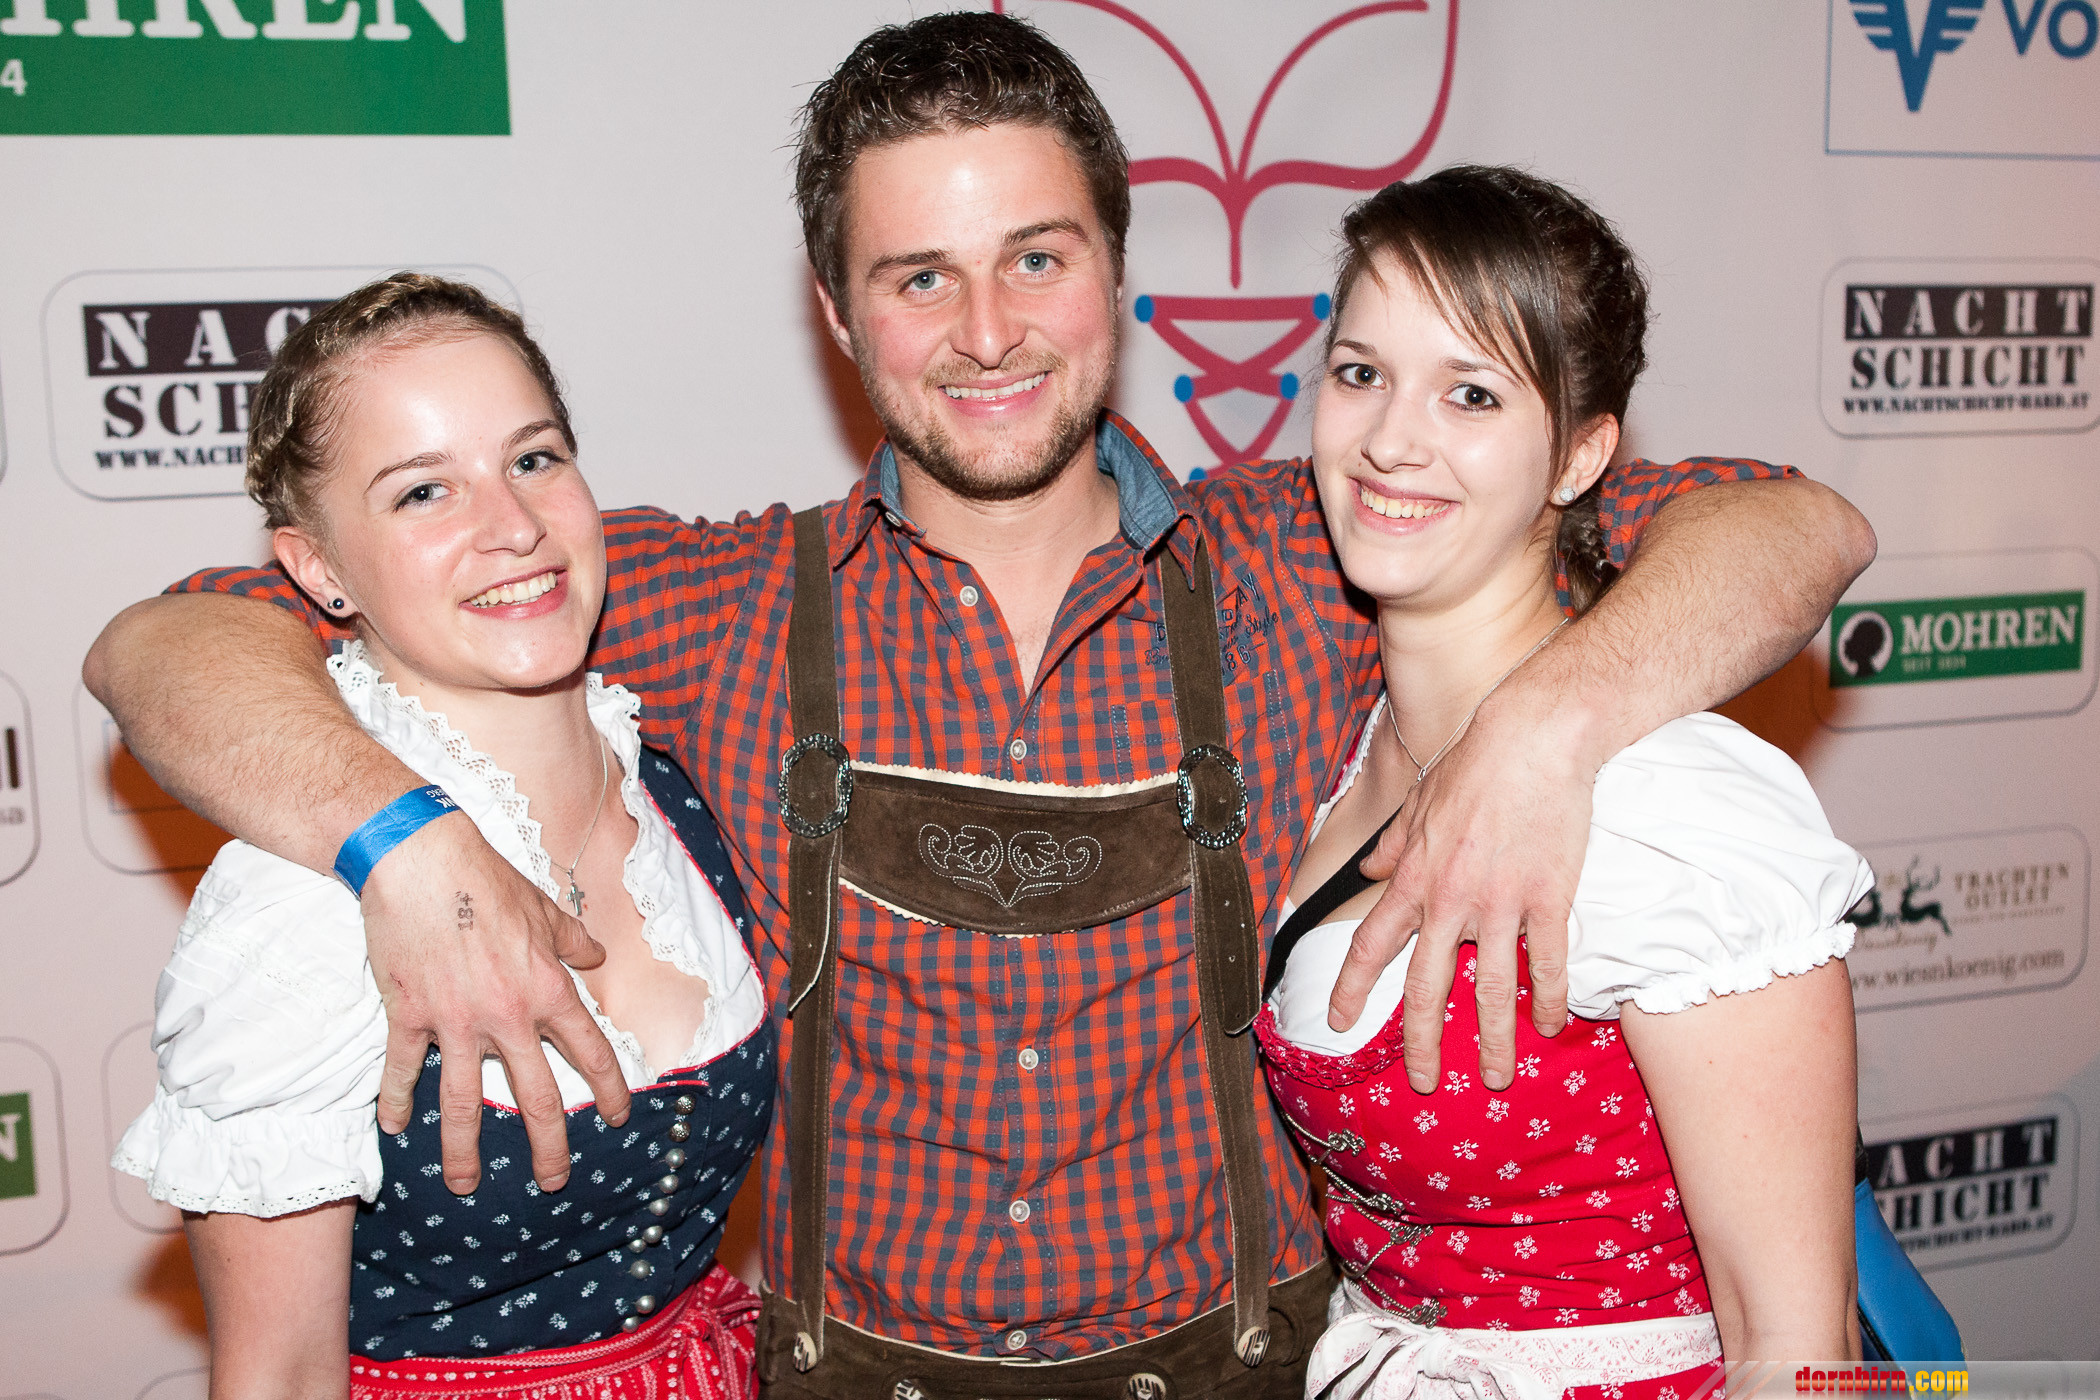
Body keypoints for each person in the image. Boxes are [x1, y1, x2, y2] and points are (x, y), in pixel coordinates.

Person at [84, 14, 1876, 1396]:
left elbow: (1791, 528)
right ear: (835, 313)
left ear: (1119, 269)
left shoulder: (1324, 545)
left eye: (1037, 256)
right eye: (917, 277)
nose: (990, 329)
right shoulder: (698, 598)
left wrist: (1558, 723)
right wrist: (391, 836)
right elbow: (169, 647)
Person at [1256, 167, 1870, 1396]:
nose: (1389, 439)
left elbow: (1799, 1346)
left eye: (1470, 392)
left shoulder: (1669, 807)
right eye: (1361, 371)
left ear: (1582, 455)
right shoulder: (1355, 737)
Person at [111, 274, 772, 1398]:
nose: (513, 526)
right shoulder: (297, 908)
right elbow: (279, 1374)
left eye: (534, 458)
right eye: (424, 491)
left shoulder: (677, 783)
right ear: (318, 568)